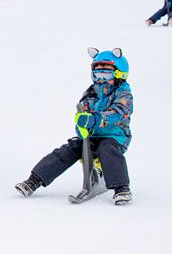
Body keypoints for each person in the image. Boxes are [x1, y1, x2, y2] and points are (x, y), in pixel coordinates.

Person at [15, 48, 134, 205]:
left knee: (107, 149)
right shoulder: (92, 91)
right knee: (69, 149)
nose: (101, 79)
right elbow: (82, 110)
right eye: (98, 74)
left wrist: (96, 119)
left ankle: (121, 188)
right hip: (91, 136)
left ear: (119, 74)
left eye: (106, 74)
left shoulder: (123, 93)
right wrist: (81, 123)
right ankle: (35, 180)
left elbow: (119, 112)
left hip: (115, 136)